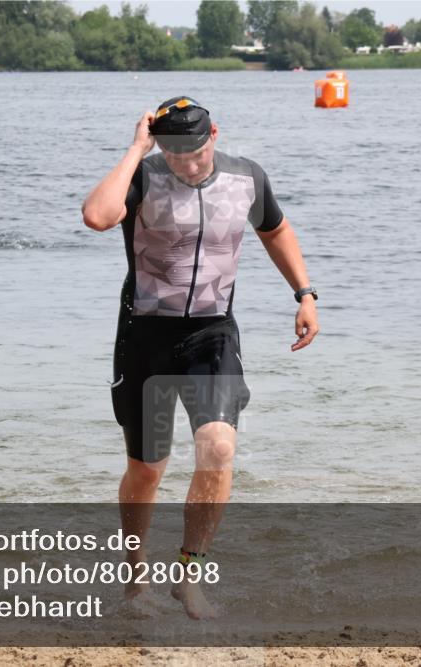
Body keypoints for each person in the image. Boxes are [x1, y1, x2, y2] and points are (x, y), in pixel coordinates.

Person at [81, 96, 319, 619]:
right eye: (172, 153)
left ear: (215, 134)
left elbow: (275, 229)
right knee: (147, 470)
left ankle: (189, 576)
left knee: (218, 448)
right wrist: (137, 148)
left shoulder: (246, 178)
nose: (186, 164)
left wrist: (304, 292)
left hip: (211, 333)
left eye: (194, 151)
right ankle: (135, 575)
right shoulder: (143, 176)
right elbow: (97, 216)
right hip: (144, 335)